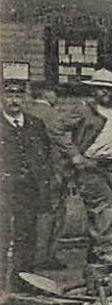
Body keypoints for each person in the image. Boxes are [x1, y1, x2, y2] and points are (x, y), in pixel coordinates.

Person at [67, 68, 112, 265]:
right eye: (101, 89)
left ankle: (96, 257)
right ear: (93, 90)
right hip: (91, 167)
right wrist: (74, 155)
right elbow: (56, 129)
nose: (106, 93)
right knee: (105, 206)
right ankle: (105, 249)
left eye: (109, 89)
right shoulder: (83, 110)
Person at [1, 77, 53, 287]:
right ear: (2, 98)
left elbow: (45, 152)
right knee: (2, 235)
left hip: (29, 190)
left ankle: (22, 281)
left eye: (19, 96)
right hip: (3, 190)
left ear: (25, 99)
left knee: (27, 235)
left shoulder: (35, 124)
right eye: (10, 96)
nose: (14, 101)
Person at [23, 82, 73, 268]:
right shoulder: (52, 115)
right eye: (54, 92)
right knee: (52, 214)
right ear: (46, 93)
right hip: (52, 173)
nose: (57, 97)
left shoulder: (26, 111)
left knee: (30, 215)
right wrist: (63, 173)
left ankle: (31, 255)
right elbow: (60, 146)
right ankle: (44, 256)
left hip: (28, 176)